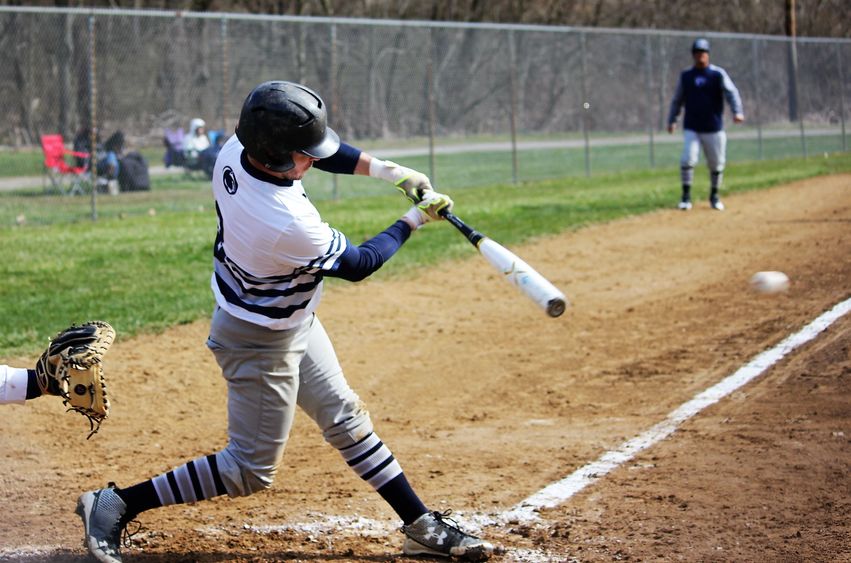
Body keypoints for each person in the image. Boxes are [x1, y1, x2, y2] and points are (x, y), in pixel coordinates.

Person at [75, 81, 495, 563]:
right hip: (258, 339)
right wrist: (415, 218)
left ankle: (418, 524)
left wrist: (391, 171)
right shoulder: (285, 220)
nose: (313, 161)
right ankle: (115, 503)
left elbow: (325, 152)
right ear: (277, 156)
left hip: (289, 317)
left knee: (345, 418)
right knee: (249, 469)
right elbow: (358, 264)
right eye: (304, 154)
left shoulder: (236, 149)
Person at [667, 38, 744, 211]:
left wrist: (737, 111)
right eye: (697, 53)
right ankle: (686, 197)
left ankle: (714, 196)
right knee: (688, 159)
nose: (700, 56)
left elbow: (732, 93)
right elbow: (677, 100)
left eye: (703, 52)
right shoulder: (686, 76)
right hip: (692, 127)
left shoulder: (717, 74)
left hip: (714, 127)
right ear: (693, 55)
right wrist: (672, 119)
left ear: (707, 55)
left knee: (716, 163)